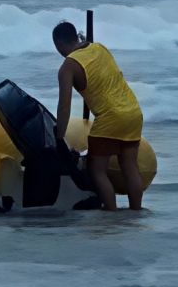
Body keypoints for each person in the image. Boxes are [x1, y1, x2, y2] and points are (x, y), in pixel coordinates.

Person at [51, 21, 144, 211]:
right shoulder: (99, 47)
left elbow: (64, 106)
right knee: (129, 166)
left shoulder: (67, 67)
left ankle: (110, 213)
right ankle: (136, 213)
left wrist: (59, 137)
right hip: (133, 111)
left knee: (96, 169)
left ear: (58, 44)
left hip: (110, 117)